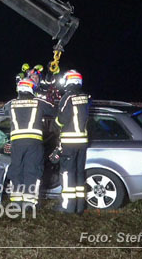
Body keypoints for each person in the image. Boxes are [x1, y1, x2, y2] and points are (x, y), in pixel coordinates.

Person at [4, 78, 56, 208]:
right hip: (34, 144)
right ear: (31, 89)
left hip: (16, 144)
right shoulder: (38, 103)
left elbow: (4, 111)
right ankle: (30, 203)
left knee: (16, 171)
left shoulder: (11, 104)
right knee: (32, 171)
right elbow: (54, 110)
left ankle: (16, 202)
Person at [55, 70, 90, 214]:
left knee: (67, 173)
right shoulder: (85, 97)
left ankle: (67, 207)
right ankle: (80, 206)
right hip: (82, 142)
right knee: (79, 173)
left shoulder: (67, 97)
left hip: (69, 142)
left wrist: (56, 123)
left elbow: (61, 119)